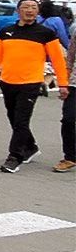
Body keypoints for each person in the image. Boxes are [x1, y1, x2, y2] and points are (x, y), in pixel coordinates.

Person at [0, 0, 69, 173]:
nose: (30, 10)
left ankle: (15, 156)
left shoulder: (46, 33)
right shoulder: (6, 32)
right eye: (26, 7)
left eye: (34, 7)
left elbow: (58, 60)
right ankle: (30, 147)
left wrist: (63, 84)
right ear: (18, 10)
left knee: (21, 120)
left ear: (38, 11)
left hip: (31, 83)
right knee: (14, 118)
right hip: (8, 82)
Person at [56, 28, 75, 173]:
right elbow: (70, 57)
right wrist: (64, 82)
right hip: (74, 84)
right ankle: (70, 157)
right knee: (68, 119)